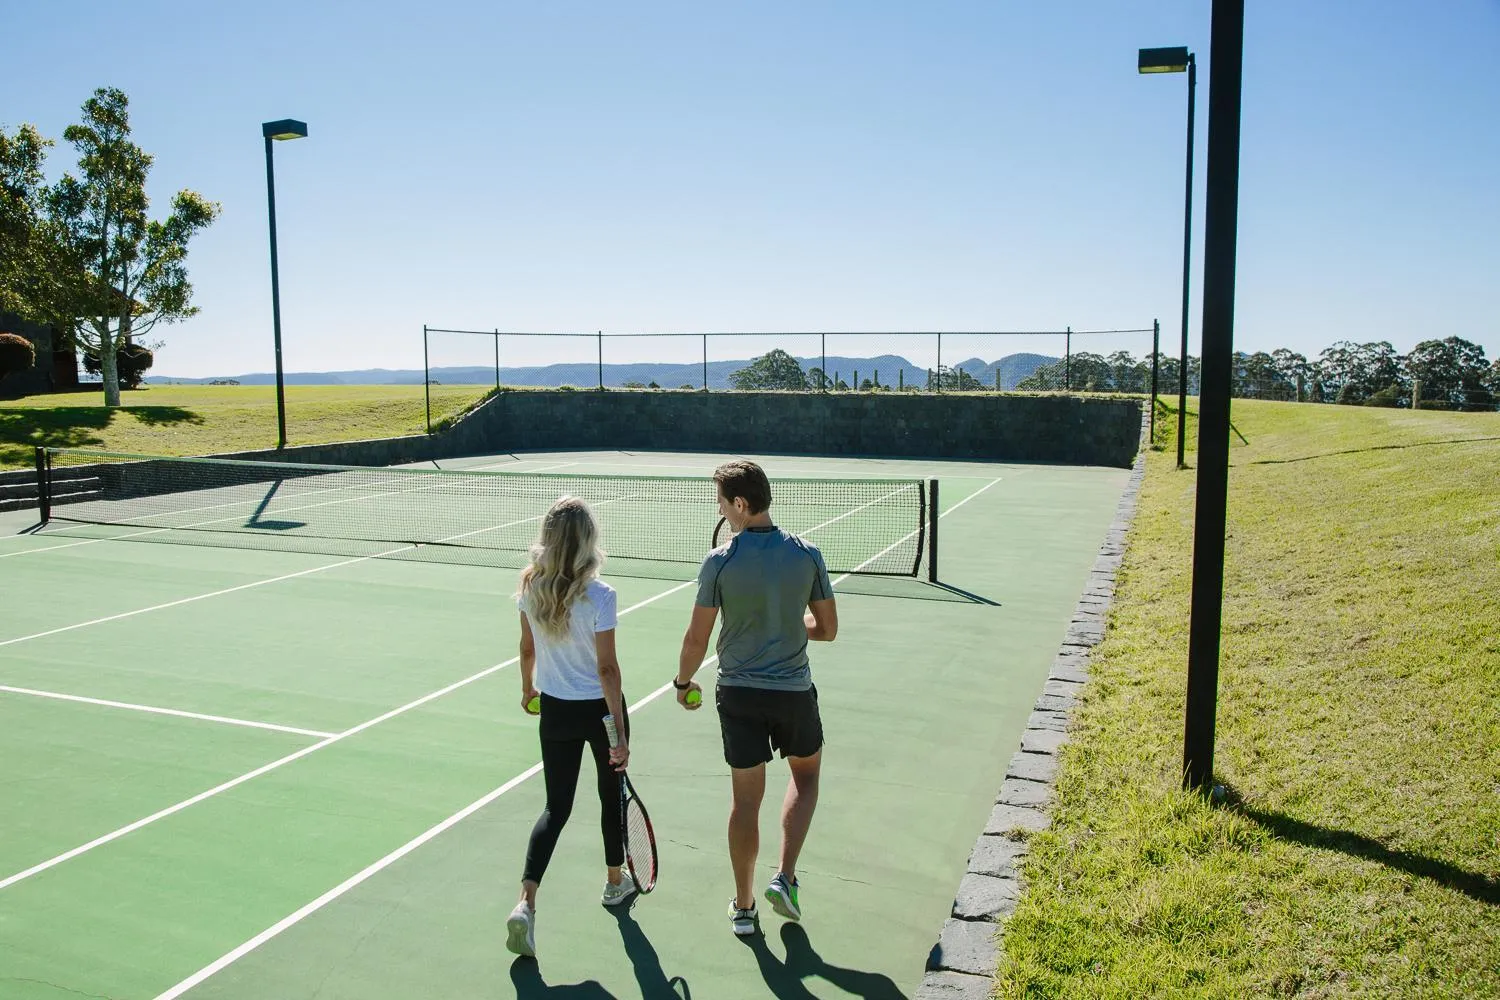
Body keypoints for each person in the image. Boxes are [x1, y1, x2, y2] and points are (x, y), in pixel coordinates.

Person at [674, 459, 839, 937]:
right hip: (793, 693)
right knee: (805, 779)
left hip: (738, 695)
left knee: (745, 802)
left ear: (740, 504)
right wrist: (790, 625)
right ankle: (785, 879)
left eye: (723, 504)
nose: (722, 513)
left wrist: (683, 684)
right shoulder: (807, 553)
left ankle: (744, 908)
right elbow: (826, 629)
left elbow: (695, 639)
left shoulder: (719, 561)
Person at [505, 496, 633, 959]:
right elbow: (608, 671)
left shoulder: (529, 586)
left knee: (554, 809)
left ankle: (526, 903)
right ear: (587, 543)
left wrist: (527, 690)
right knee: (609, 796)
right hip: (599, 712)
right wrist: (618, 730)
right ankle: (614, 883)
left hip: (555, 709)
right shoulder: (602, 596)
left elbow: (526, 650)